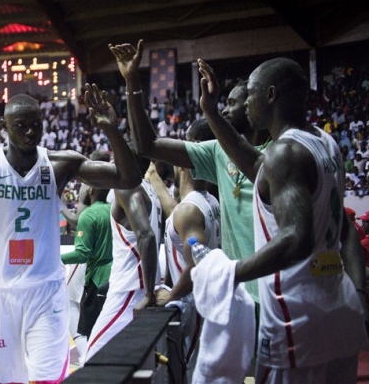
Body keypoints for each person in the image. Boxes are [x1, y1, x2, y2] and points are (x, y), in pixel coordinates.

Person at [0, 51, 141, 383]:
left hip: (46, 292)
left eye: (35, 125)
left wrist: (112, 131)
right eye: (21, 125)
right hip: (1, 294)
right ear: (6, 127)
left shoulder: (60, 163)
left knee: (46, 379)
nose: (30, 132)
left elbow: (128, 178)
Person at [197, 57, 368, 383]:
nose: (246, 102)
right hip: (338, 308)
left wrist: (228, 273)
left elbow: (296, 239)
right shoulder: (323, 142)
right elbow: (258, 167)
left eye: (252, 94)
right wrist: (211, 112)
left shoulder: (285, 154)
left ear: (271, 95)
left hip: (299, 320)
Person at [111, 40, 269, 309]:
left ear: (255, 103)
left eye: (232, 103)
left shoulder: (281, 153)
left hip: (273, 289)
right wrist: (132, 82)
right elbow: (147, 145)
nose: (225, 109)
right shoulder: (217, 152)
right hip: (237, 296)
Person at [151, 119, 221, 380]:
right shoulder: (208, 200)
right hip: (203, 302)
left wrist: (171, 296)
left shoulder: (189, 210)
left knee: (192, 374)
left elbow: (195, 267)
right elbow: (180, 237)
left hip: (194, 305)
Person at [84, 146, 161, 363]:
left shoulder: (127, 188)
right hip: (137, 286)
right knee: (130, 364)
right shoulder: (149, 188)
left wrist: (147, 294)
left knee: (91, 360)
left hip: (129, 291)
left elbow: (146, 236)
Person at [60, 149, 113, 365]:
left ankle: (88, 361)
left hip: (94, 270)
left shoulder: (89, 211)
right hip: (115, 269)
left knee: (78, 316)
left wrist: (60, 207)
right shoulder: (116, 204)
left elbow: (82, 249)